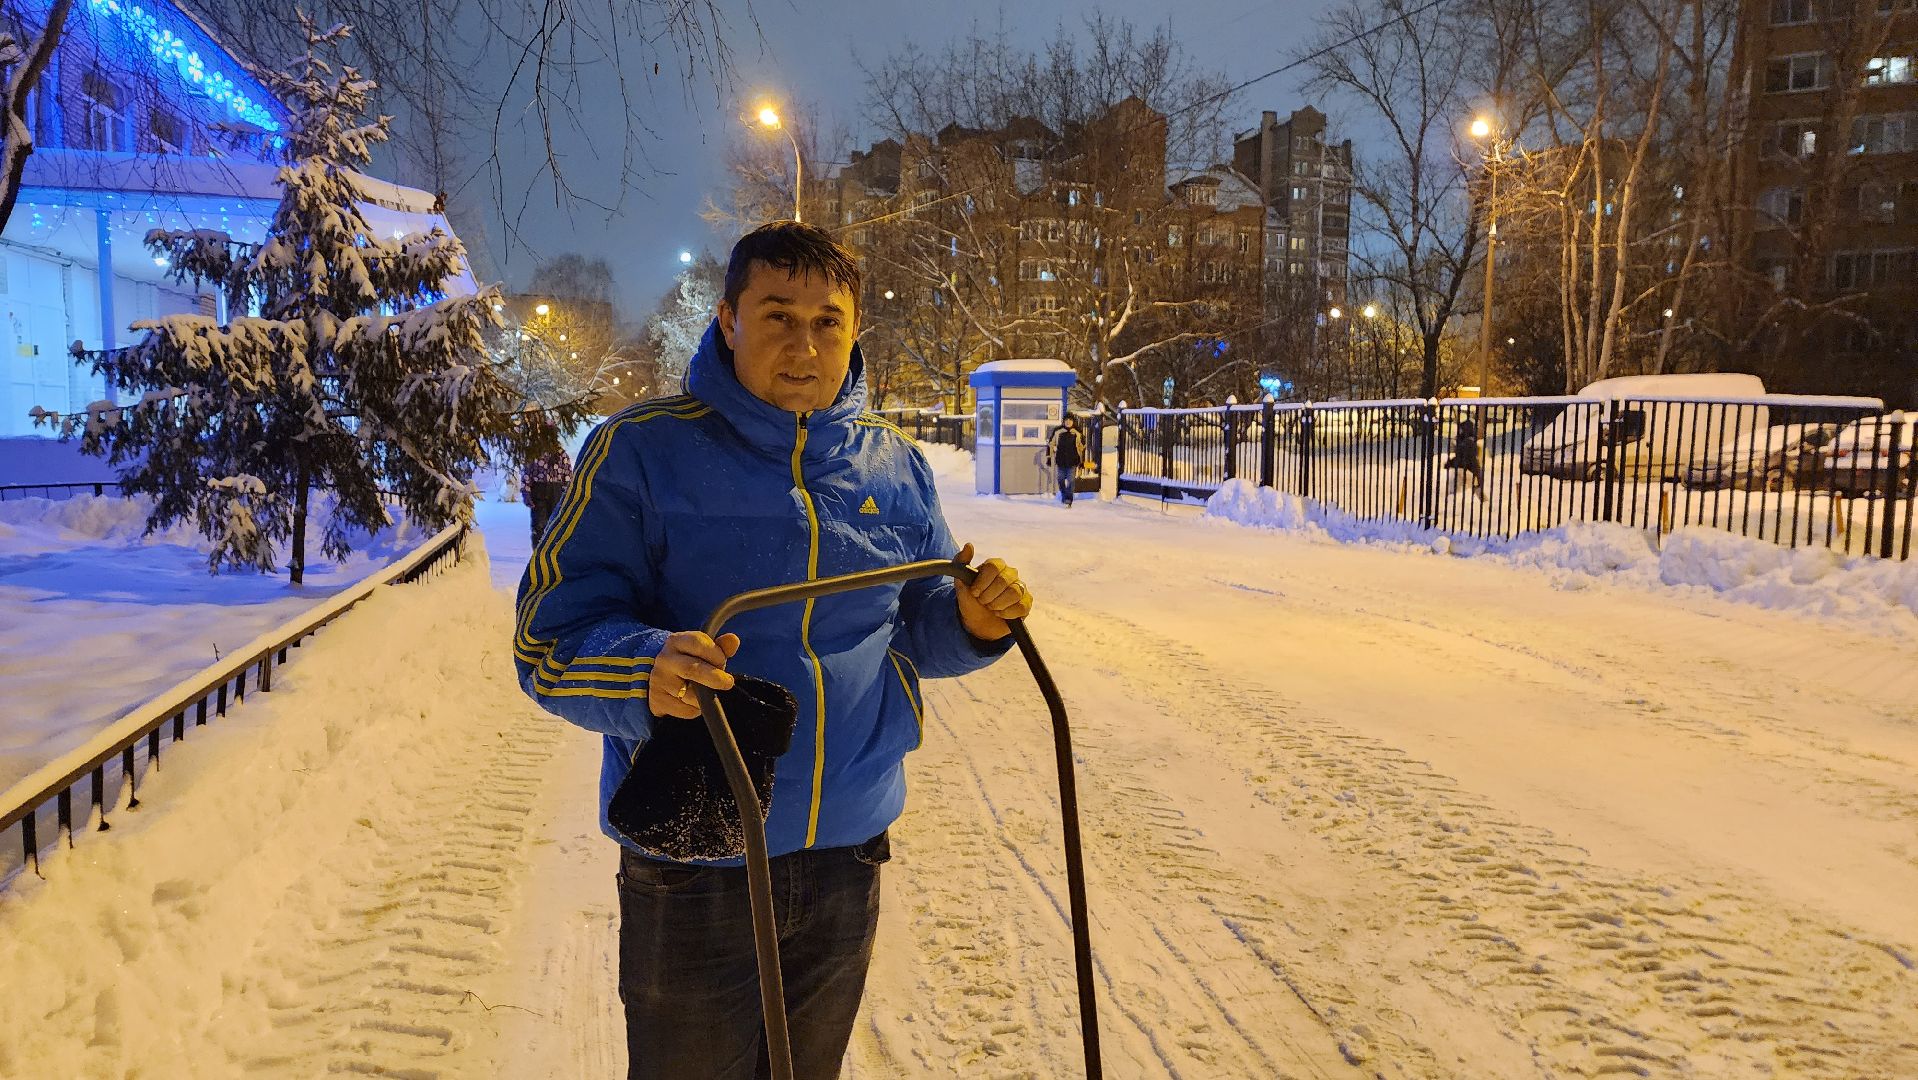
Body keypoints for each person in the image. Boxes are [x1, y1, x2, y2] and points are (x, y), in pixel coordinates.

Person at [513, 221, 1032, 1080]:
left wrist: (975, 622)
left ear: (855, 330)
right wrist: (646, 668)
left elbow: (912, 624)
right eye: (778, 315)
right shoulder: (640, 451)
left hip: (847, 849)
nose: (805, 344)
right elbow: (550, 636)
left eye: (828, 321)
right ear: (726, 320)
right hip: (699, 856)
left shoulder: (892, 467)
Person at [519, 415, 573, 545]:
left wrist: (567, 495)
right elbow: (527, 474)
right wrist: (526, 493)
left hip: (556, 491)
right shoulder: (535, 453)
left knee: (556, 524)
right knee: (539, 525)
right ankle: (538, 553)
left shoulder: (561, 454)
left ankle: (553, 553)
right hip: (539, 491)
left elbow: (568, 476)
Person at [1045, 414, 1087, 506]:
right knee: (1060, 479)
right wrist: (1049, 458)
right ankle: (1064, 495)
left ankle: (1069, 498)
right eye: (1066, 420)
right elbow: (1051, 444)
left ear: (1073, 422)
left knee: (1071, 480)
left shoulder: (1077, 432)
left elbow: (1082, 447)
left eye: (1070, 420)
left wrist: (1081, 460)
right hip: (1061, 460)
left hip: (1072, 460)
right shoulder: (1058, 431)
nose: (1068, 422)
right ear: (1064, 421)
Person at [1445, 415, 1487, 501]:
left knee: (1456, 490)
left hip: (1468, 471)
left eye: (1461, 429)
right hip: (1471, 471)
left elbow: (1464, 458)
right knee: (1476, 490)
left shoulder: (1467, 443)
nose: (1459, 431)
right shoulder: (1467, 441)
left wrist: (1451, 463)